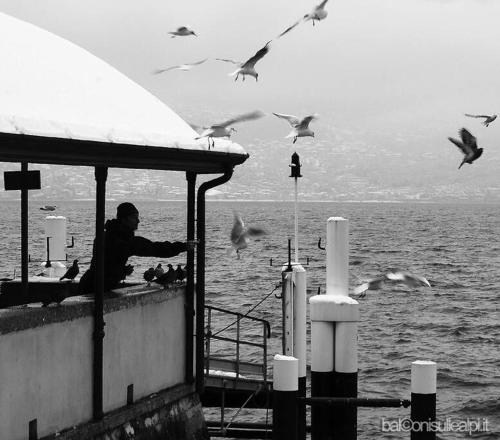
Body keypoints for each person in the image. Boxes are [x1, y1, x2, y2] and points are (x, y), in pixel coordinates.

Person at [78, 202, 193, 294]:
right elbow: (155, 248)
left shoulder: (105, 235)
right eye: (134, 217)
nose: (138, 221)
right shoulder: (123, 241)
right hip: (95, 288)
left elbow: (107, 264)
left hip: (90, 284)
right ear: (124, 219)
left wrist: (122, 270)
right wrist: (183, 246)